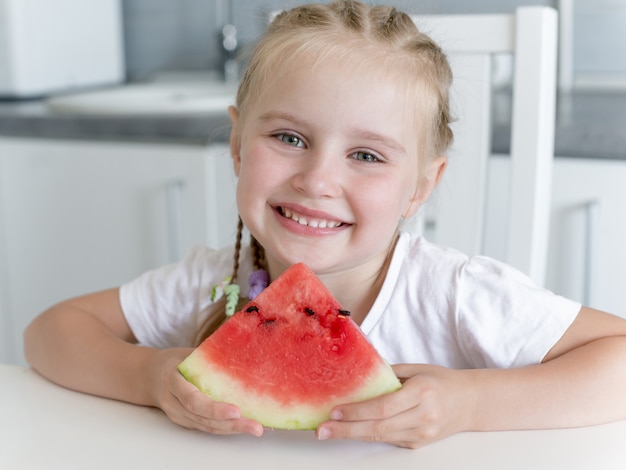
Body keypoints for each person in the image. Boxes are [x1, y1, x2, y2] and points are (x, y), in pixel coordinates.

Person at [24, 0, 626, 450]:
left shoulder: (455, 294)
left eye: (366, 156)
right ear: (237, 144)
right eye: (289, 138)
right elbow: (51, 332)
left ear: (422, 185)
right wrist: (150, 374)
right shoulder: (217, 282)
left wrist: (467, 402)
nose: (316, 180)